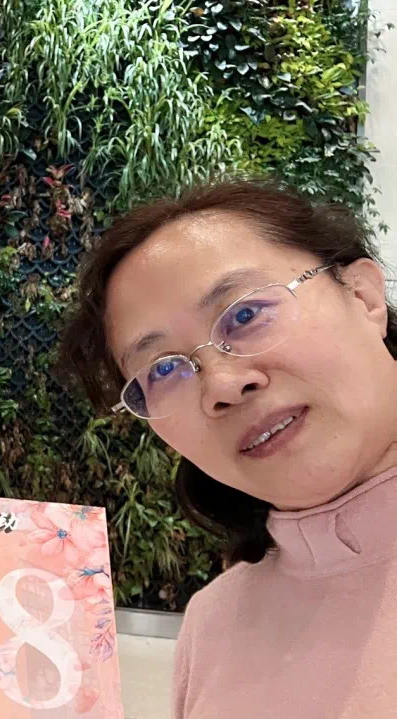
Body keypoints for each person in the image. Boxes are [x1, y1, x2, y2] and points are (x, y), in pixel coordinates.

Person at [58, 180, 397, 718]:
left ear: (364, 297)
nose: (220, 385)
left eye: (244, 315)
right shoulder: (215, 622)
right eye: (162, 370)